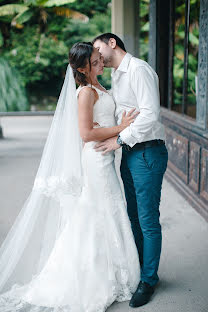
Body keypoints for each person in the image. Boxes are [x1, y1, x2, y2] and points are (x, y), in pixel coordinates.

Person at [0, 42, 140, 312]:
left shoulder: (99, 87)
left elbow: (99, 124)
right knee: (102, 210)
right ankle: (96, 274)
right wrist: (120, 128)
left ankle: (113, 268)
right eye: (95, 60)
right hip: (96, 159)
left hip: (105, 157)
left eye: (100, 57)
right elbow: (86, 134)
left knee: (106, 210)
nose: (100, 62)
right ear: (82, 68)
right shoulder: (85, 92)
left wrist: (116, 126)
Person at [93, 33, 168, 308]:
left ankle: (149, 280)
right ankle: (138, 271)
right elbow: (121, 113)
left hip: (147, 151)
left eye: (98, 48)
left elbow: (150, 114)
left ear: (112, 43)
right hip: (130, 153)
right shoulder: (117, 75)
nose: (97, 55)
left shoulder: (139, 69)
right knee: (133, 216)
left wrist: (119, 139)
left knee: (147, 220)